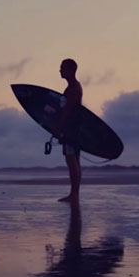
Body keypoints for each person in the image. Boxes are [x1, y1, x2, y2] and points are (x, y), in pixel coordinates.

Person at [56, 58, 83, 202]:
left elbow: (68, 110)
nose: (60, 70)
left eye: (62, 68)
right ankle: (74, 194)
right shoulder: (73, 86)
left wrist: (59, 127)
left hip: (71, 129)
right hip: (75, 128)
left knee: (71, 160)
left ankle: (74, 194)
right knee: (75, 160)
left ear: (71, 70)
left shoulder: (73, 88)